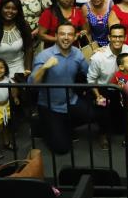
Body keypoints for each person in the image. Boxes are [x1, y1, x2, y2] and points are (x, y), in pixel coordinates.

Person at [30, 22, 94, 154]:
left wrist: (98, 56)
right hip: (50, 106)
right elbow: (32, 84)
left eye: (70, 34)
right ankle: (41, 125)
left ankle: (63, 124)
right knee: (62, 148)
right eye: (62, 34)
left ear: (75, 37)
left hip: (71, 101)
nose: (66, 37)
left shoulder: (77, 54)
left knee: (94, 114)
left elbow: (90, 74)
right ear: (55, 36)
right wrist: (44, 68)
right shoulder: (44, 55)